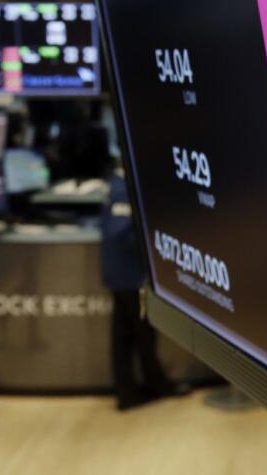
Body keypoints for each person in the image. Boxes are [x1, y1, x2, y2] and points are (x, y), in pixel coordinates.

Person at [100, 165, 186, 411]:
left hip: (119, 275)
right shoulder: (121, 189)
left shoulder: (115, 184)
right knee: (142, 334)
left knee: (124, 336)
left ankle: (130, 392)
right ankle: (155, 386)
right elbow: (119, 234)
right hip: (128, 276)